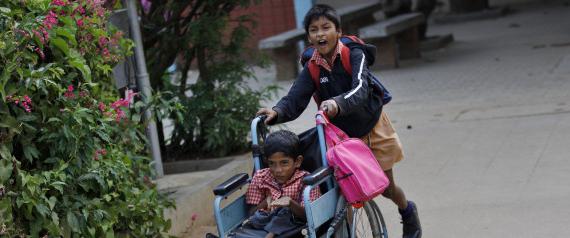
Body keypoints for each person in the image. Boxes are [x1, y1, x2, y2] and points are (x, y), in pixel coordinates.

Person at [256, 4, 422, 238]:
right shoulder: (312, 65)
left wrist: (337, 103)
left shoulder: (354, 53)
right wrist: (277, 112)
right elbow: (296, 97)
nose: (320, 34)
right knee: (343, 190)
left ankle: (407, 211)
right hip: (340, 138)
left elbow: (361, 89)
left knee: (385, 187)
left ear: (338, 32)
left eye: (326, 28)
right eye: (314, 30)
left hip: (372, 127)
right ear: (309, 37)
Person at [231, 130, 321, 238]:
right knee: (255, 218)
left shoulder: (306, 180)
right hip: (265, 221)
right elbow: (251, 214)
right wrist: (265, 202)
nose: (278, 170)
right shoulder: (260, 177)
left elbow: (310, 217)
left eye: (284, 163)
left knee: (285, 211)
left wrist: (290, 203)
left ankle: (271, 234)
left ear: (297, 161)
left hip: (291, 225)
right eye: (271, 163)